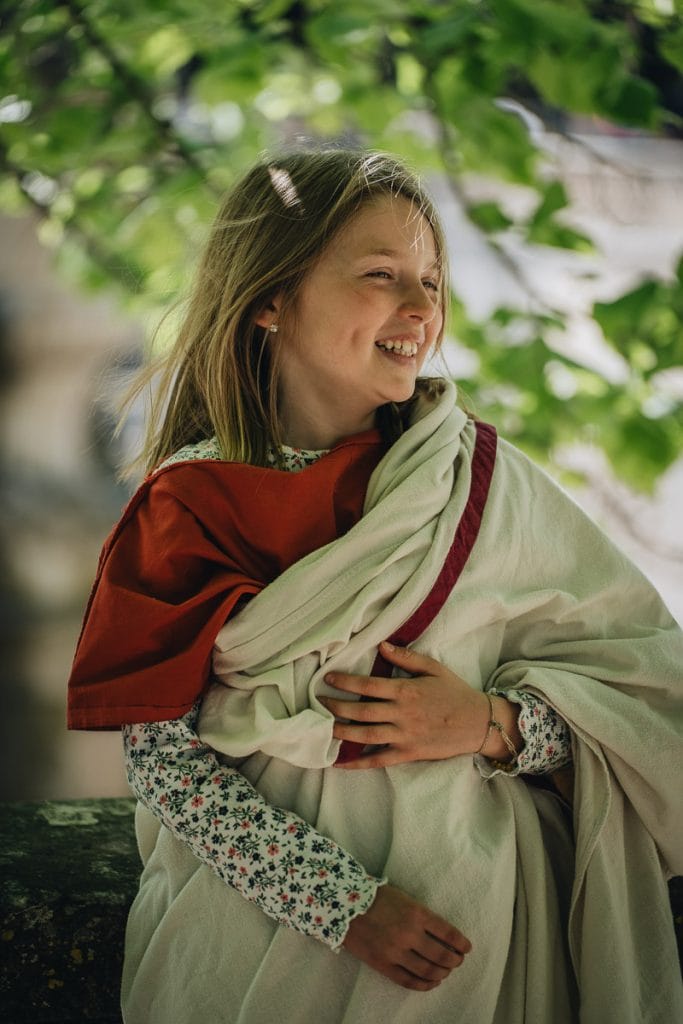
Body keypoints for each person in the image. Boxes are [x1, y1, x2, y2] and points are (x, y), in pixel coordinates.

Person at [67, 149, 682, 1024]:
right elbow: (163, 760)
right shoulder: (191, 502)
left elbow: (649, 693)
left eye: (431, 280)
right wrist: (340, 904)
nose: (422, 307)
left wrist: (496, 724)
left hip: (484, 940)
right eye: (381, 275)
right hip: (260, 945)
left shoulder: (481, 481)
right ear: (270, 300)